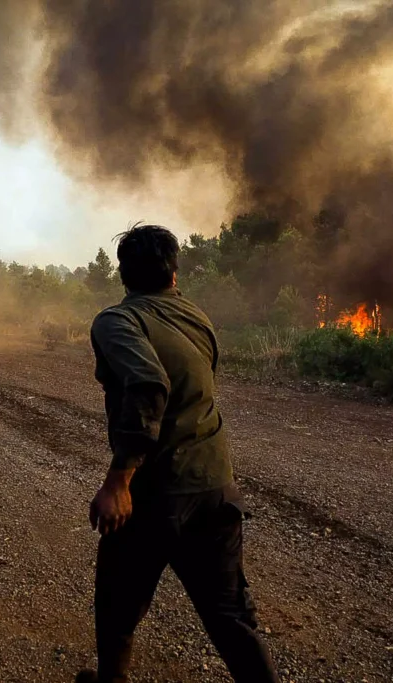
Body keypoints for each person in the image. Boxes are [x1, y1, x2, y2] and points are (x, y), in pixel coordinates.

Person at [78, 225, 278, 683]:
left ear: (122, 274)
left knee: (117, 605)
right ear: (174, 272)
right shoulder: (196, 316)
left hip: (157, 492)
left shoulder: (117, 321)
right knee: (230, 616)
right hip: (217, 486)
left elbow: (149, 385)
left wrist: (118, 482)